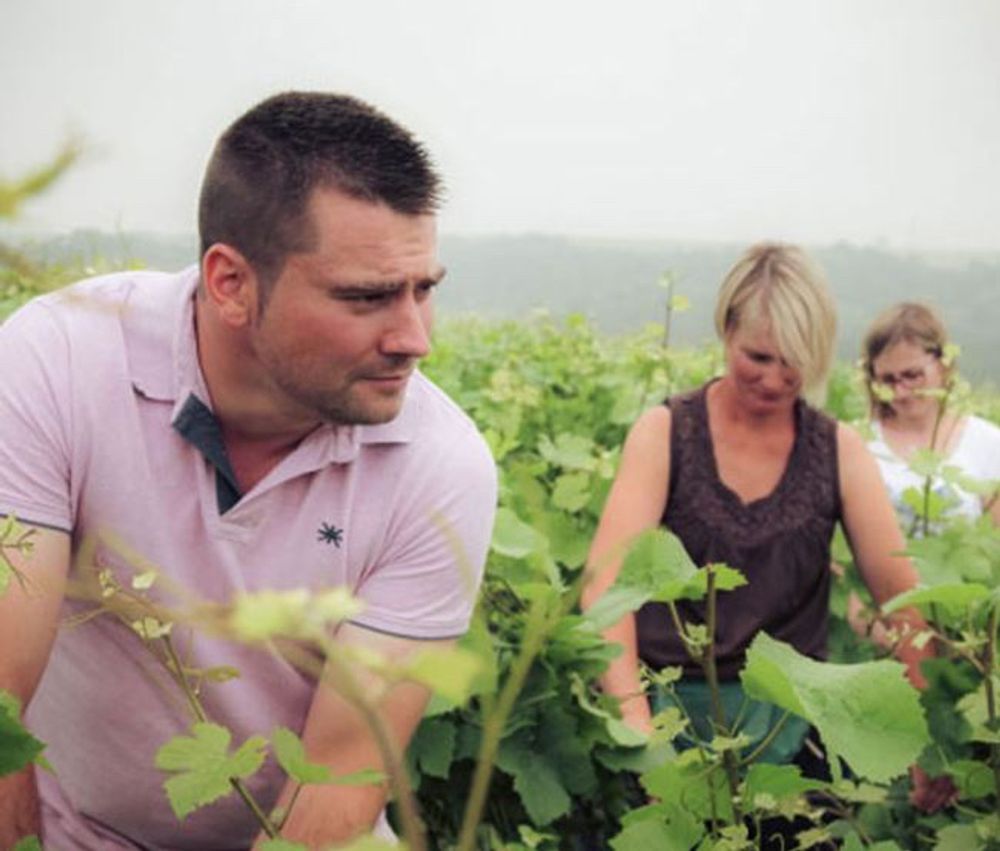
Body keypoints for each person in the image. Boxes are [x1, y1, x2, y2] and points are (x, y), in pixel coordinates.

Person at [0, 92, 498, 849]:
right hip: (66, 827)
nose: (413, 337)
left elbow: (339, 776)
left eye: (424, 289)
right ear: (231, 283)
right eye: (366, 297)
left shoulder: (440, 467)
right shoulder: (57, 359)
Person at [582, 243, 928, 770]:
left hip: (791, 729)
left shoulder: (838, 451)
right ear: (726, 331)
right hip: (668, 710)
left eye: (793, 362)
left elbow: (902, 600)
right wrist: (637, 729)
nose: (774, 378)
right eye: (758, 357)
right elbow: (605, 586)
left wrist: (922, 745)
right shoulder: (666, 434)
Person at [862, 302, 1000, 530]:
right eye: (887, 379)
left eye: (912, 375)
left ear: (943, 366)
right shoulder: (859, 443)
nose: (900, 391)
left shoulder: (988, 444)